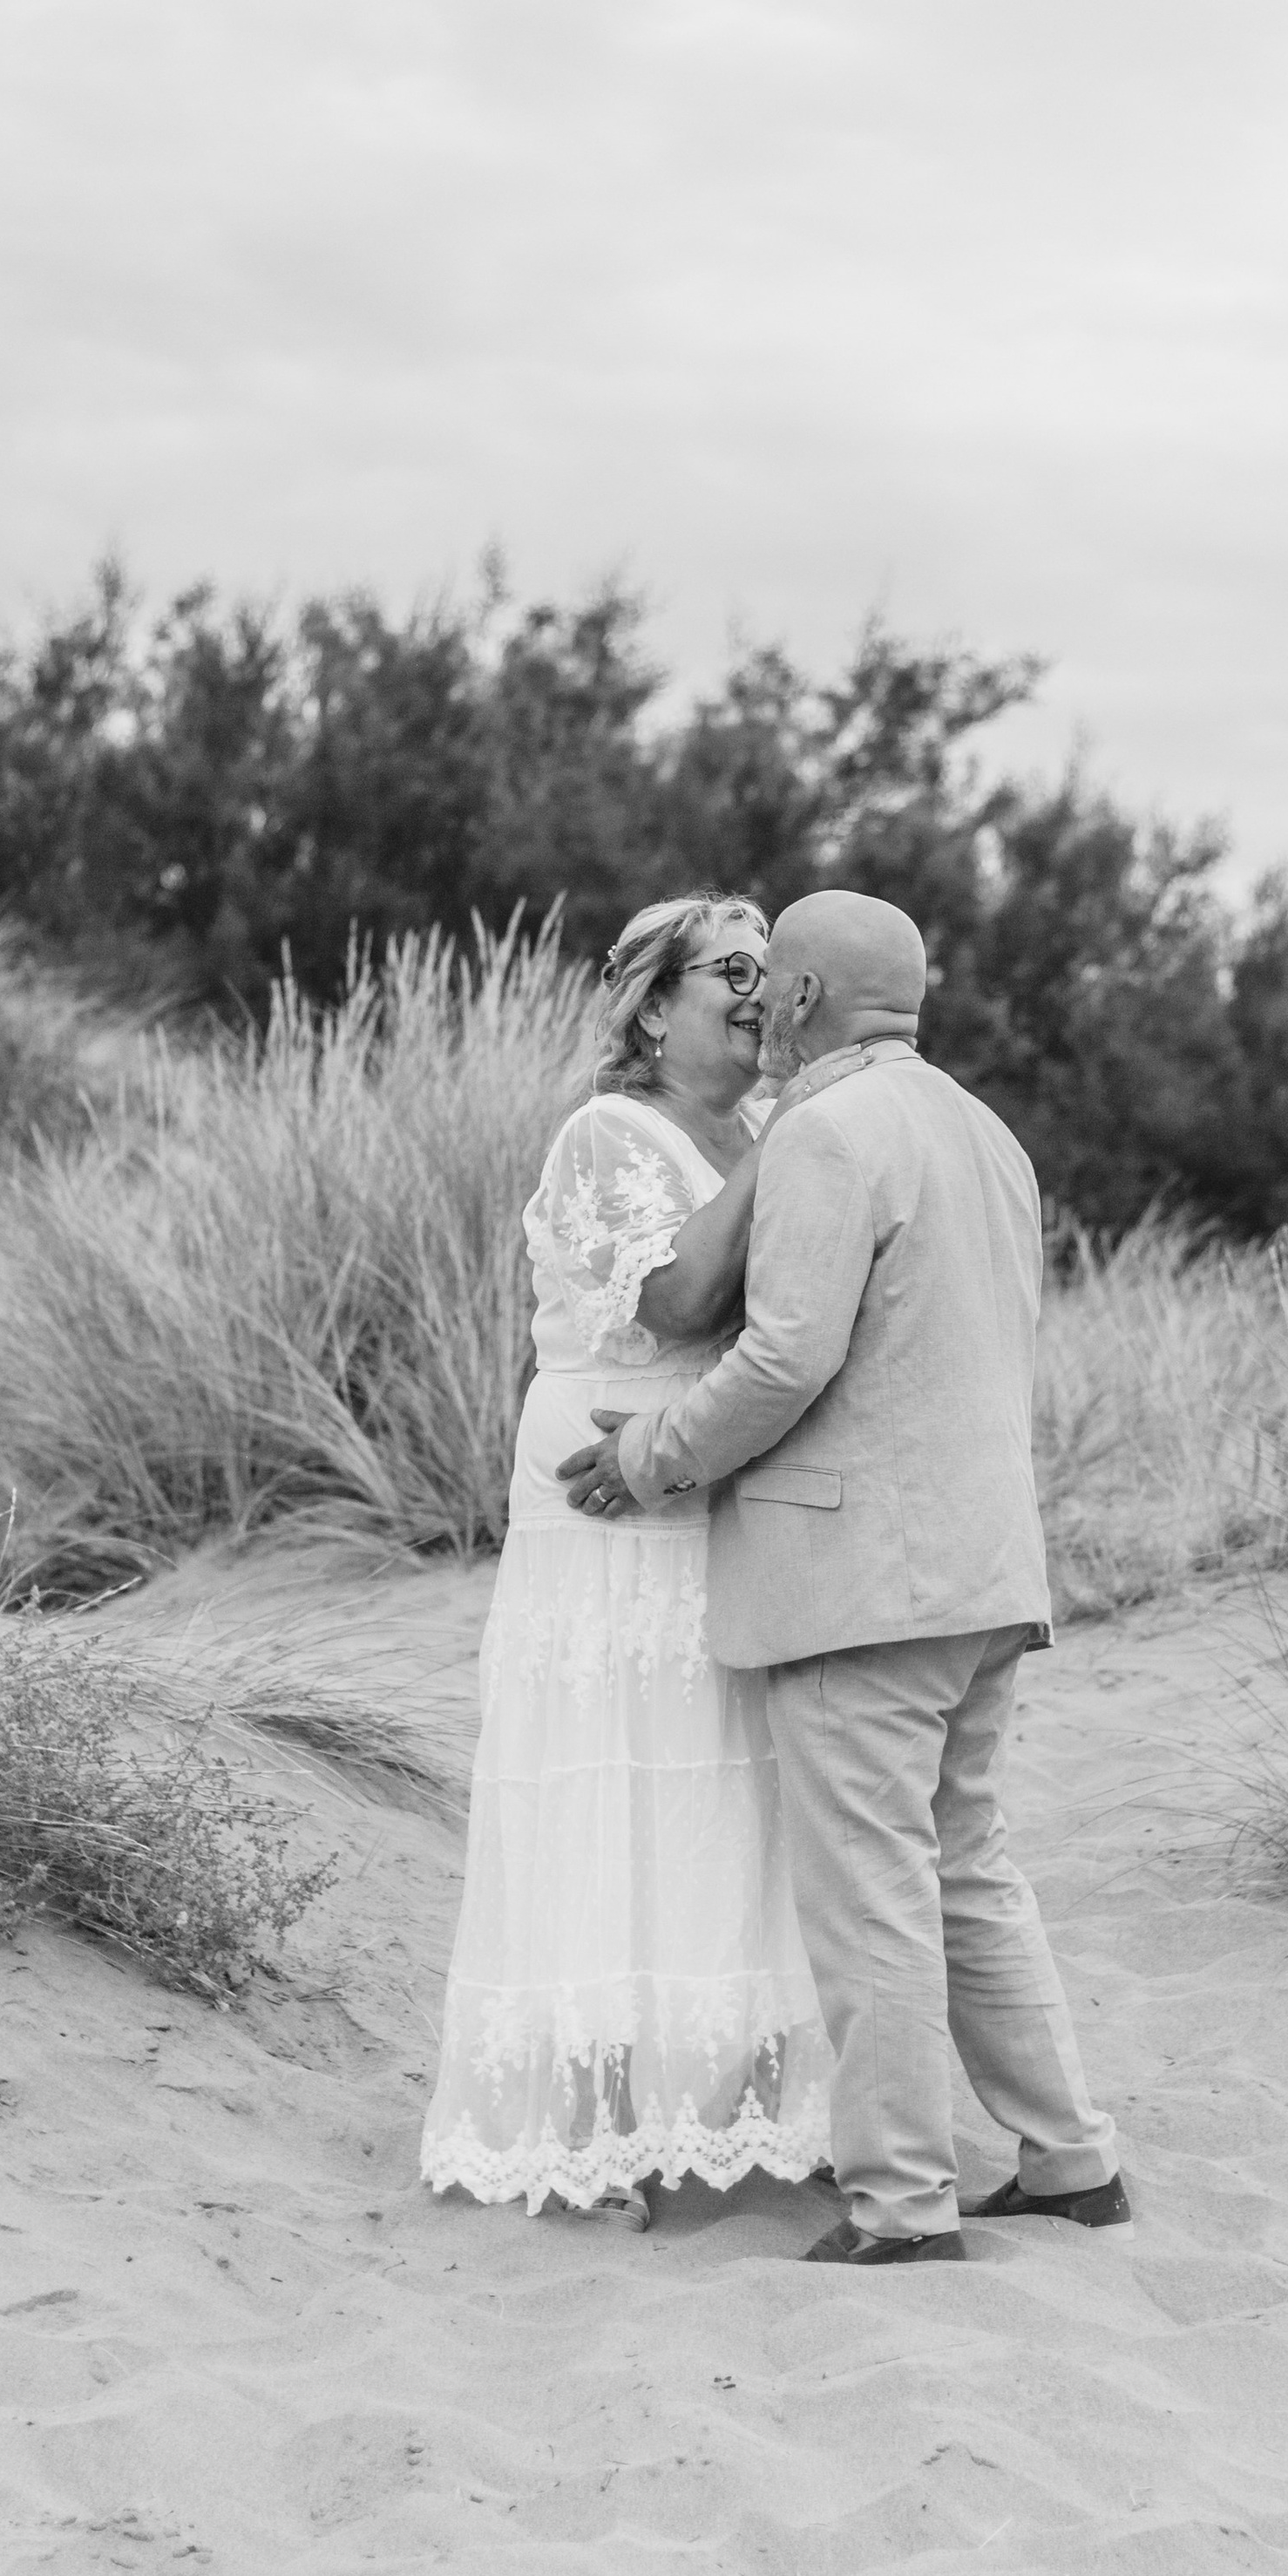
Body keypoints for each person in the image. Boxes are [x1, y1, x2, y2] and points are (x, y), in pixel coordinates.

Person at [559, 890, 1127, 2265]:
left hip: (861, 1581)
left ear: (808, 1000)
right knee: (969, 1868)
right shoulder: (984, 1132)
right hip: (989, 1572)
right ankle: (1069, 2161)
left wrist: (649, 1459)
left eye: (774, 985)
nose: (759, 1006)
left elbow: (784, 1358)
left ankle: (901, 2205)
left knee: (871, 1892)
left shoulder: (824, 1133)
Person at [419, 892, 833, 2225]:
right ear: (656, 1005)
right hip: (602, 1493)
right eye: (733, 970)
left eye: (776, 971)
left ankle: (722, 2101)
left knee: (721, 1782)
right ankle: (588, 2129)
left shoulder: (770, 1129)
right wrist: (802, 1131)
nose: (763, 991)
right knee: (611, 1782)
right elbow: (676, 1302)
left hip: (707, 1478)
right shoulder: (610, 1133)